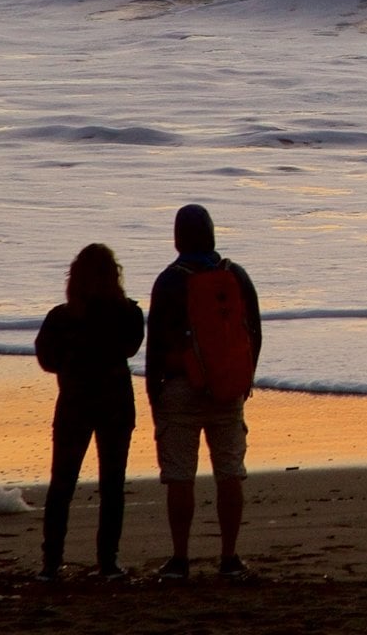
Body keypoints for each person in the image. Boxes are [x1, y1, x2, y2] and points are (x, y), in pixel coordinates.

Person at [146, 203, 264, 581]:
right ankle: (229, 558)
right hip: (228, 389)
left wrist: (154, 393)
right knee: (229, 472)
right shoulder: (236, 275)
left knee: (180, 476)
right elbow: (255, 333)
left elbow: (156, 344)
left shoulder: (169, 281)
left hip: (180, 387)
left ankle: (180, 559)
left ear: (178, 238)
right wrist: (244, 379)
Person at [32, 242, 145, 582]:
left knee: (62, 484)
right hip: (115, 402)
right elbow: (131, 346)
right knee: (112, 484)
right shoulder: (129, 313)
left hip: (75, 402)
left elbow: (46, 360)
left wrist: (73, 361)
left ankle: (51, 563)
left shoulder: (61, 318)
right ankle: (107, 562)